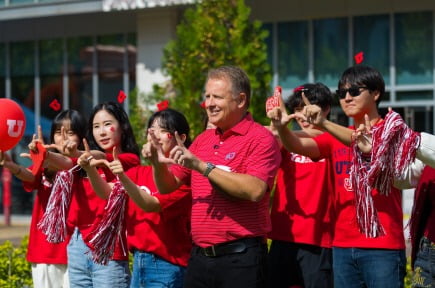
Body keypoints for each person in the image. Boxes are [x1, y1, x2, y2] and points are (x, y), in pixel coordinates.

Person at [268, 65, 406, 288]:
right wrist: (283, 127)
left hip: (383, 247)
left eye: (354, 92)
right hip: (342, 246)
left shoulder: (394, 130)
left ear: (376, 93)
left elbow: (369, 146)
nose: (347, 98)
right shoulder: (333, 138)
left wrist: (322, 123)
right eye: (342, 94)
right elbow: (297, 145)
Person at [148, 65, 281, 288]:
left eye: (217, 97)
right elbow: (167, 187)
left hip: (241, 259)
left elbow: (256, 190)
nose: (209, 103)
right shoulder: (203, 139)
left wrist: (202, 166)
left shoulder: (260, 138)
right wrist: (156, 162)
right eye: (207, 96)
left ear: (240, 100)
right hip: (200, 259)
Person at [81, 108, 193, 288]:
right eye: (152, 130)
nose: (155, 136)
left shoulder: (183, 179)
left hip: (167, 265)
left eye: (163, 131)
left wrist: (123, 178)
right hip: (140, 261)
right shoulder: (139, 173)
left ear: (181, 138)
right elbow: (107, 193)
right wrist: (89, 170)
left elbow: (151, 204)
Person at [0, 109, 87, 288]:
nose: (63, 138)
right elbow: (31, 177)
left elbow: (69, 163)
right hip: (44, 252)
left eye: (70, 133)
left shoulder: (85, 164)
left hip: (76, 252)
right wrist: (11, 165)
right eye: (58, 132)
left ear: (82, 137)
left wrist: (46, 156)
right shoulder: (44, 163)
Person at [267, 83, 334, 288]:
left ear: (326, 109)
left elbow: (317, 136)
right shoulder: (286, 141)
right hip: (283, 235)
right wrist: (274, 125)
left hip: (319, 239)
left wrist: (281, 131)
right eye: (297, 111)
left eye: (307, 109)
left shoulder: (334, 139)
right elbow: (270, 140)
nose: (302, 116)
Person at [69, 101, 140, 287]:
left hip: (110, 249)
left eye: (108, 124)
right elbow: (63, 164)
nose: (101, 132)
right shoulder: (85, 164)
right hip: (79, 244)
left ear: (122, 127)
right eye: (96, 126)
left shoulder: (129, 161)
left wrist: (78, 153)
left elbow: (101, 157)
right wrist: (46, 154)